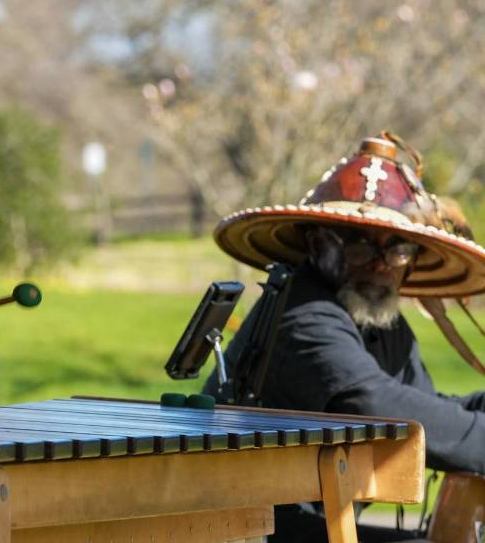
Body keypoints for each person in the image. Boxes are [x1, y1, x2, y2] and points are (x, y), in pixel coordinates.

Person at [206, 133, 485, 542]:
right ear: (319, 246)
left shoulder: (381, 323)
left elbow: (428, 407)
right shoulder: (300, 312)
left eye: (398, 251)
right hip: (247, 528)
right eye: (360, 248)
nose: (380, 266)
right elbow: (372, 402)